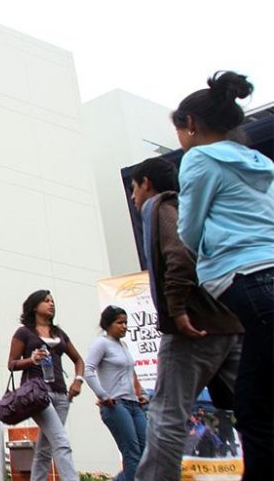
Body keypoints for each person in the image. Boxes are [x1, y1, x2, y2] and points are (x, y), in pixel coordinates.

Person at [173, 70, 274, 481]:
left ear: (191, 125)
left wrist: (202, 262)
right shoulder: (260, 162)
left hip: (247, 281)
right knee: (253, 404)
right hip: (265, 279)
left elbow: (188, 228)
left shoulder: (199, 158)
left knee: (259, 405)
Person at [128, 156, 242, 481]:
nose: (134, 200)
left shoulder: (159, 205)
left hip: (192, 327)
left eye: (134, 190)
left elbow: (179, 254)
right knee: (257, 408)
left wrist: (176, 310)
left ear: (146, 183)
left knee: (166, 415)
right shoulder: (198, 206)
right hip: (231, 321)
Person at [7, 290, 84, 481]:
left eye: (52, 301)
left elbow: (78, 360)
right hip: (38, 395)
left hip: (62, 395)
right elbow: (12, 363)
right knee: (61, 441)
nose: (51, 304)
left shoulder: (59, 333)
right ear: (35, 306)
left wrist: (78, 380)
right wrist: (31, 360)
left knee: (45, 448)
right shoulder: (24, 332)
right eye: (46, 301)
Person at [83, 305, 148, 481]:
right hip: (116, 405)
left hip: (134, 404)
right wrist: (103, 396)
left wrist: (139, 393)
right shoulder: (101, 343)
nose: (124, 326)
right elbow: (88, 371)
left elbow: (130, 373)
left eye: (126, 322)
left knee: (146, 449)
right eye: (120, 323)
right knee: (132, 451)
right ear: (108, 324)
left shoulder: (124, 345)